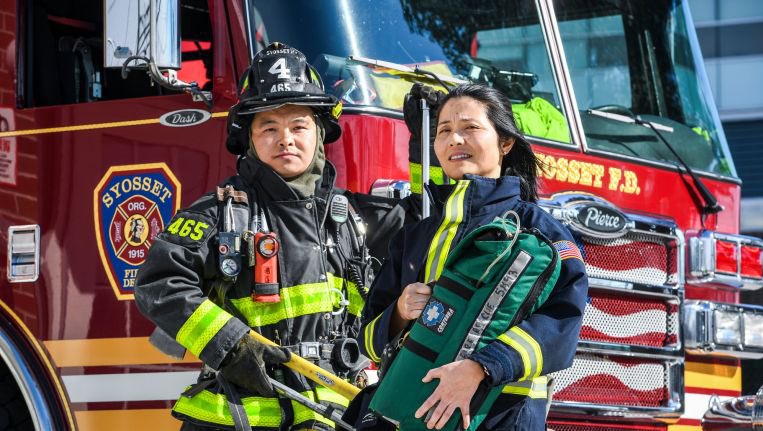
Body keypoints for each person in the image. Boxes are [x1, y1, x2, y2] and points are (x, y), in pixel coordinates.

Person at [135, 42, 371, 431]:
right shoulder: (221, 213)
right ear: (249, 138)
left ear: (319, 132)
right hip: (237, 417)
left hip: (329, 415)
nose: (286, 139)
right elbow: (159, 284)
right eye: (269, 128)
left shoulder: (345, 219)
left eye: (299, 126)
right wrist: (231, 345)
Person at [355, 84, 589, 430]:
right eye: (444, 131)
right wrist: (399, 313)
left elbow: (562, 323)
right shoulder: (413, 237)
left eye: (470, 128)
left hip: (500, 418)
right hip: (409, 418)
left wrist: (481, 368)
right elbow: (368, 342)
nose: (455, 139)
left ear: (505, 143)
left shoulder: (540, 232)